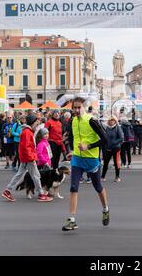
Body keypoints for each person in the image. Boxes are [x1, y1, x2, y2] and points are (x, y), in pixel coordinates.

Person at [62, 97, 109, 231]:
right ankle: (72, 219)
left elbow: (105, 139)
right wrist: (72, 150)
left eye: (79, 107)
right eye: (74, 108)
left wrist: (89, 146)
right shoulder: (72, 121)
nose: (76, 110)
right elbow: (72, 136)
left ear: (83, 107)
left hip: (92, 160)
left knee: (98, 186)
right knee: (73, 187)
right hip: (77, 159)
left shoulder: (92, 121)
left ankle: (105, 209)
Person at [1, 113, 53, 202]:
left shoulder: (27, 132)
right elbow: (25, 147)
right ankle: (41, 194)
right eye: (36, 123)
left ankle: (8, 190)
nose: (37, 125)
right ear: (32, 122)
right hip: (29, 158)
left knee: (22, 175)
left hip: (26, 158)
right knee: (36, 176)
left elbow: (26, 147)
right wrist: (32, 158)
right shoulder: (27, 132)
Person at [101, 116, 124, 182]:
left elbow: (121, 138)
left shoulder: (117, 128)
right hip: (108, 148)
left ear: (115, 121)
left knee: (116, 163)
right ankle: (103, 177)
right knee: (105, 163)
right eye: (110, 120)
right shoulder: (107, 128)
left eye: (113, 120)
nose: (111, 122)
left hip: (116, 148)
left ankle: (117, 177)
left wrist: (113, 143)